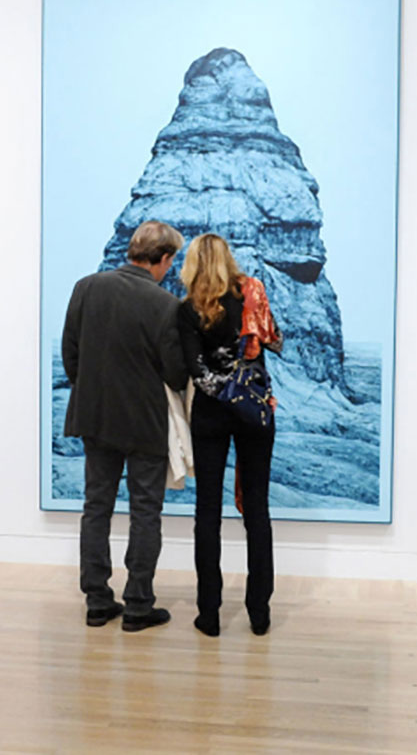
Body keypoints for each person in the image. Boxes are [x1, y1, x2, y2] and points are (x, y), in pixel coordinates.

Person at [62, 220, 189, 632]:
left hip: (95, 418)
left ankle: (97, 601)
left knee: (95, 508)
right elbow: (174, 374)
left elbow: (71, 356)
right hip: (144, 423)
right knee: (145, 512)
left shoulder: (86, 287)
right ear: (164, 258)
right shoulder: (165, 305)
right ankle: (138, 605)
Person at [177, 234, 282, 637]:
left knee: (208, 513)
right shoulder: (251, 296)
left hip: (212, 416)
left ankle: (210, 614)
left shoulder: (189, 311)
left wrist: (224, 391)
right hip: (255, 412)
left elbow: (196, 371)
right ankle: (259, 613)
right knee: (257, 510)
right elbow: (275, 341)